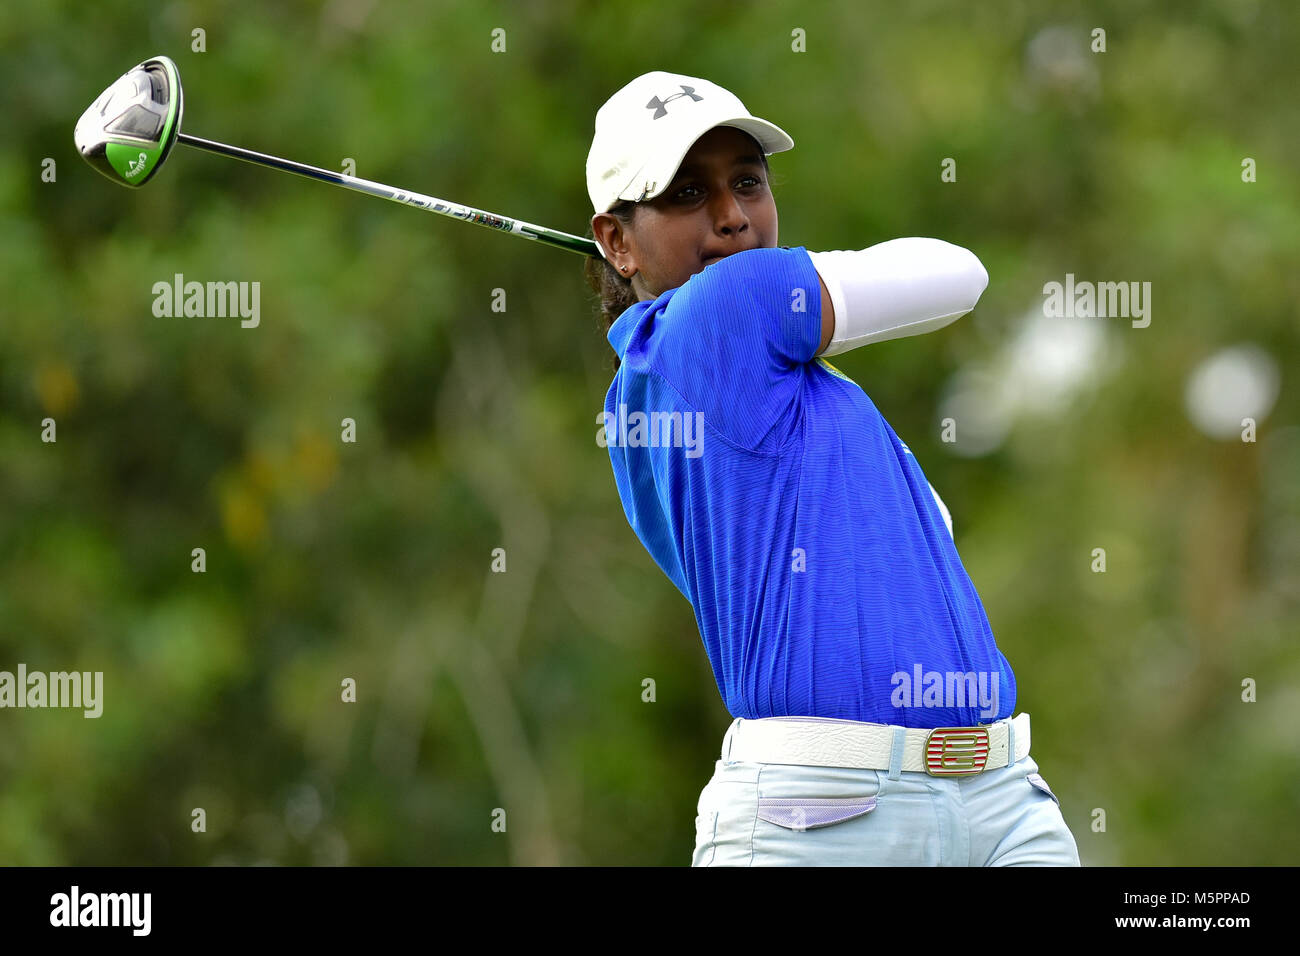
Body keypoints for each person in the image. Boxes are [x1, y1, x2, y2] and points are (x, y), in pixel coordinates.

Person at [583, 70, 1080, 866]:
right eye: (685, 195)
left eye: (747, 182)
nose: (733, 217)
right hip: (822, 819)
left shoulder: (647, 401)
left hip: (999, 797)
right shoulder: (729, 304)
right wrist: (782, 299)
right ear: (616, 241)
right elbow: (958, 273)